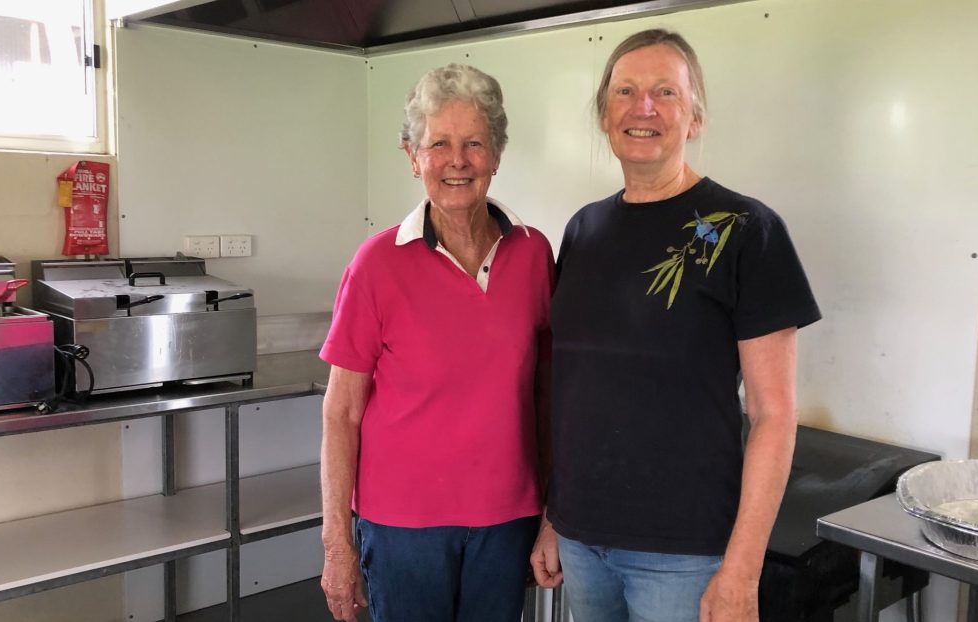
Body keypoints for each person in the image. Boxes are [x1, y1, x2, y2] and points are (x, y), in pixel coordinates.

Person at [530, 29, 821, 622]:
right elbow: (576, 391)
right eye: (626, 91)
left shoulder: (745, 230)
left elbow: (774, 415)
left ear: (695, 118)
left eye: (666, 91)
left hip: (684, 553)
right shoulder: (582, 231)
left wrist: (742, 570)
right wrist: (553, 518)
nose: (644, 107)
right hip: (583, 540)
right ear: (604, 115)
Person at [318, 63, 554, 622]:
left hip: (507, 518)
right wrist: (336, 546)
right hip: (402, 527)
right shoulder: (377, 263)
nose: (457, 160)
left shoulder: (534, 254)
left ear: (496, 155)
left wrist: (552, 511)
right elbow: (341, 412)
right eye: (439, 144)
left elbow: (547, 395)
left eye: (474, 143)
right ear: (412, 156)